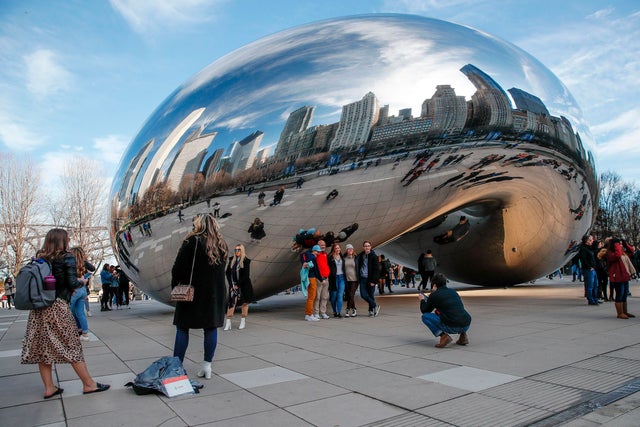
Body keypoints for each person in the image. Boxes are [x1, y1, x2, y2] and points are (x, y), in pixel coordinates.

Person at [21, 228, 110, 398]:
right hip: (57, 307)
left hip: (39, 309)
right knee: (71, 345)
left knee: (43, 348)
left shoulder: (40, 256)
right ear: (63, 240)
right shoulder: (66, 257)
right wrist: (82, 281)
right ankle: (89, 384)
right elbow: (71, 282)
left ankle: (49, 387)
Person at [171, 213, 228, 379]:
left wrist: (176, 286)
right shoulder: (221, 244)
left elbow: (177, 269)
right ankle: (206, 365)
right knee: (210, 328)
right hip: (214, 295)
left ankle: (177, 366)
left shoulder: (191, 241)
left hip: (192, 294)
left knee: (182, 327)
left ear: (198, 224)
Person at [419, 273, 471, 348]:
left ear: (434, 285)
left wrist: (422, 300)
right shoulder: (453, 292)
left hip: (452, 326)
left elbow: (425, 310)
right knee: (457, 312)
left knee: (425, 317)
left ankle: (443, 336)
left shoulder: (435, 295)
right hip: (466, 324)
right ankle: (463, 336)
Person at [224, 244, 254, 330]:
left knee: (244, 303)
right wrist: (231, 284)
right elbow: (227, 273)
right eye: (236, 250)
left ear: (242, 251)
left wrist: (238, 284)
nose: (237, 252)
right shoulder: (231, 260)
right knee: (231, 303)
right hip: (233, 286)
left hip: (244, 285)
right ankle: (228, 321)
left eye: (239, 250)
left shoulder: (246, 261)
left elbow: (246, 275)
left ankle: (243, 320)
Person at [69, 247, 91, 341]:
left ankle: (73, 331)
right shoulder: (82, 264)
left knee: (69, 311)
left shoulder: (71, 264)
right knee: (80, 312)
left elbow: (71, 279)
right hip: (82, 290)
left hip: (75, 290)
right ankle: (84, 333)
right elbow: (92, 269)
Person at [355, 241, 381, 317]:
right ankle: (375, 305)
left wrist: (374, 281)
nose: (367, 247)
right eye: (365, 246)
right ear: (363, 247)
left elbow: (377, 270)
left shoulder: (374, 256)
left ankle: (371, 311)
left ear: (370, 247)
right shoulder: (361, 256)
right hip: (363, 279)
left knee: (370, 295)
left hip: (370, 279)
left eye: (368, 246)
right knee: (363, 295)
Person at [300, 245, 321, 321]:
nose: (318, 253)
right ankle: (309, 314)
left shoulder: (306, 254)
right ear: (314, 251)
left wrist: (303, 262)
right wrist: (321, 279)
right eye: (317, 252)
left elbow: (301, 254)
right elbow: (316, 270)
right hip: (311, 278)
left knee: (310, 297)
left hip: (307, 277)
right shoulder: (312, 257)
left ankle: (308, 314)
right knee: (312, 297)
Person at [579, 234, 599, 305]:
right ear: (587, 241)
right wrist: (589, 267)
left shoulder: (590, 248)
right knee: (590, 285)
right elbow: (583, 259)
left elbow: (596, 247)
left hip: (593, 269)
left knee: (595, 285)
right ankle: (591, 300)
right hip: (588, 270)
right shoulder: (583, 249)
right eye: (590, 240)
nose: (592, 241)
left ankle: (595, 298)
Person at [328, 243, 346, 318]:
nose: (338, 249)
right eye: (336, 248)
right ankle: (334, 311)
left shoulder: (342, 256)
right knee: (334, 296)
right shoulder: (330, 257)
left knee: (340, 295)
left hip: (342, 278)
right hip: (333, 278)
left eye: (339, 248)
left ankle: (338, 312)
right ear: (333, 249)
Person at [314, 240, 331, 319]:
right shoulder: (316, 254)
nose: (323, 246)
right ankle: (316, 312)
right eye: (321, 245)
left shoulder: (325, 254)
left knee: (324, 296)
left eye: (324, 245)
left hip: (326, 277)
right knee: (317, 296)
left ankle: (323, 312)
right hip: (318, 278)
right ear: (318, 245)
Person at [343, 244, 358, 317]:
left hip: (355, 280)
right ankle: (354, 309)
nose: (350, 250)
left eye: (351, 249)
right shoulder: (344, 258)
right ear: (346, 250)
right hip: (346, 280)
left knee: (351, 294)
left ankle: (347, 309)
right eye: (348, 249)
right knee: (349, 295)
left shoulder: (356, 258)